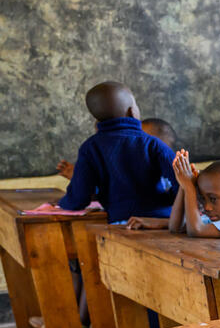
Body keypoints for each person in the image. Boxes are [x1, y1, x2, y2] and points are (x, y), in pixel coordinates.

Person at [56, 81, 177, 223]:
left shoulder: (89, 148)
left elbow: (80, 196)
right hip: (160, 220)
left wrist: (63, 203)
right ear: (132, 111)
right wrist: (169, 200)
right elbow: (181, 182)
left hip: (121, 222)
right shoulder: (153, 144)